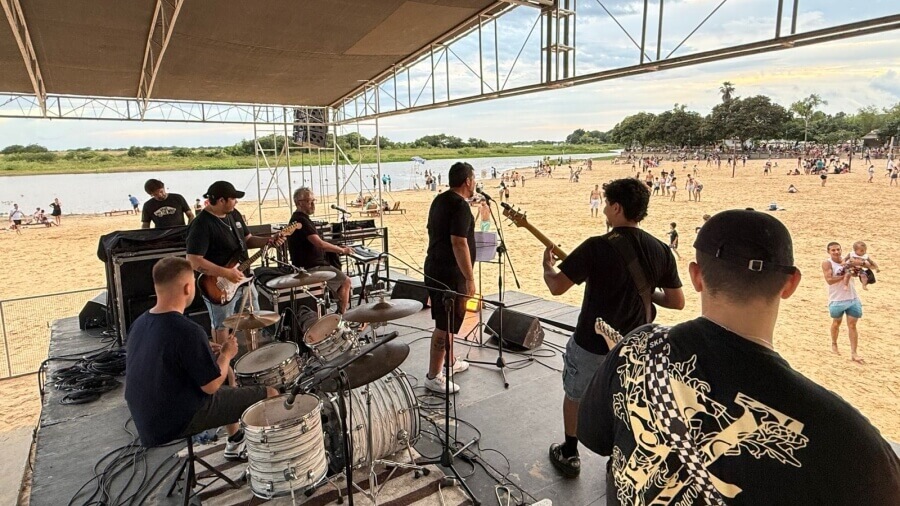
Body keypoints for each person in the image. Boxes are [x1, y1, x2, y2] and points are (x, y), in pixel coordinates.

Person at [578, 210, 900, 505]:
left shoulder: (636, 347)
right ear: (790, 284)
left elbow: (595, 437)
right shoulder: (852, 443)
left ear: (696, 276)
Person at [541, 177, 684, 478]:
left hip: (591, 344)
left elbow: (556, 287)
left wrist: (547, 268)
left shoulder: (596, 246)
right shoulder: (660, 250)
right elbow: (676, 301)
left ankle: (570, 453)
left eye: (607, 204)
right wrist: (644, 293)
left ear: (617, 207)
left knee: (576, 396)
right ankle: (621, 461)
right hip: (635, 346)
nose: (605, 210)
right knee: (629, 402)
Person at [125, 257, 278, 459]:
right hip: (178, 418)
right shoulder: (188, 330)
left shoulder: (140, 323)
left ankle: (235, 440)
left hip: (146, 418)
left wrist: (204, 347)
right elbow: (211, 386)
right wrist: (226, 353)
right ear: (188, 288)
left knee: (230, 373)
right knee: (270, 393)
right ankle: (272, 461)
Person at [186, 181, 283, 344]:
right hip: (218, 285)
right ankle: (223, 363)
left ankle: (252, 354)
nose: (236, 201)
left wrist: (269, 241)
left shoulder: (233, 214)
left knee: (252, 320)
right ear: (221, 200)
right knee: (222, 326)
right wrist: (226, 273)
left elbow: (248, 240)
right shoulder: (201, 224)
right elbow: (193, 260)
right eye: (233, 198)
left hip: (244, 280)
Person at [423, 162, 476, 395]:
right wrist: (470, 278)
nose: (475, 183)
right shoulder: (460, 206)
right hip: (449, 275)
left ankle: (450, 362)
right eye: (473, 179)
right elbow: (459, 242)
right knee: (444, 325)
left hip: (434, 267)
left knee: (451, 321)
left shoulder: (440, 200)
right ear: (467, 181)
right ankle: (433, 376)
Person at [287, 188, 353, 314]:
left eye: (313, 201)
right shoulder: (301, 220)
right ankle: (340, 317)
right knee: (346, 281)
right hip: (311, 267)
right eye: (309, 201)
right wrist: (342, 250)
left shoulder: (300, 218)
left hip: (312, 265)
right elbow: (319, 243)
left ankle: (336, 309)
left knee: (339, 276)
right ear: (299, 202)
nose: (313, 204)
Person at [823, 242, 865, 363]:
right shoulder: (827, 263)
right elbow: (829, 280)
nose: (836, 252)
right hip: (836, 299)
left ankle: (854, 353)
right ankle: (834, 343)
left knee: (852, 325)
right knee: (836, 323)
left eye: (838, 249)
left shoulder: (848, 261)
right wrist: (845, 275)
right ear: (829, 252)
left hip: (852, 298)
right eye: (833, 250)